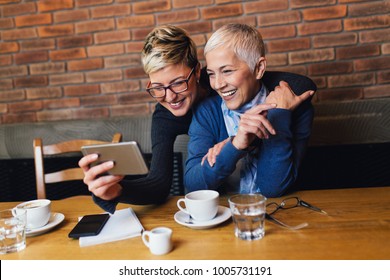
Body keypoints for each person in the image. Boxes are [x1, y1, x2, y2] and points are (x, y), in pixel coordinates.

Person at [79, 25, 208, 213]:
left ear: (197, 72)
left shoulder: (221, 84)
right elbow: (158, 185)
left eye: (178, 83)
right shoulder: (164, 117)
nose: (170, 97)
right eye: (158, 87)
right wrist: (118, 190)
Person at [184, 23, 316, 197]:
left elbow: (273, 187)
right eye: (211, 74)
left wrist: (278, 115)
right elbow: (194, 185)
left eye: (227, 71)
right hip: (225, 215)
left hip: (282, 213)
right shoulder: (207, 111)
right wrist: (236, 144)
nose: (218, 84)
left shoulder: (293, 109)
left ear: (259, 68)